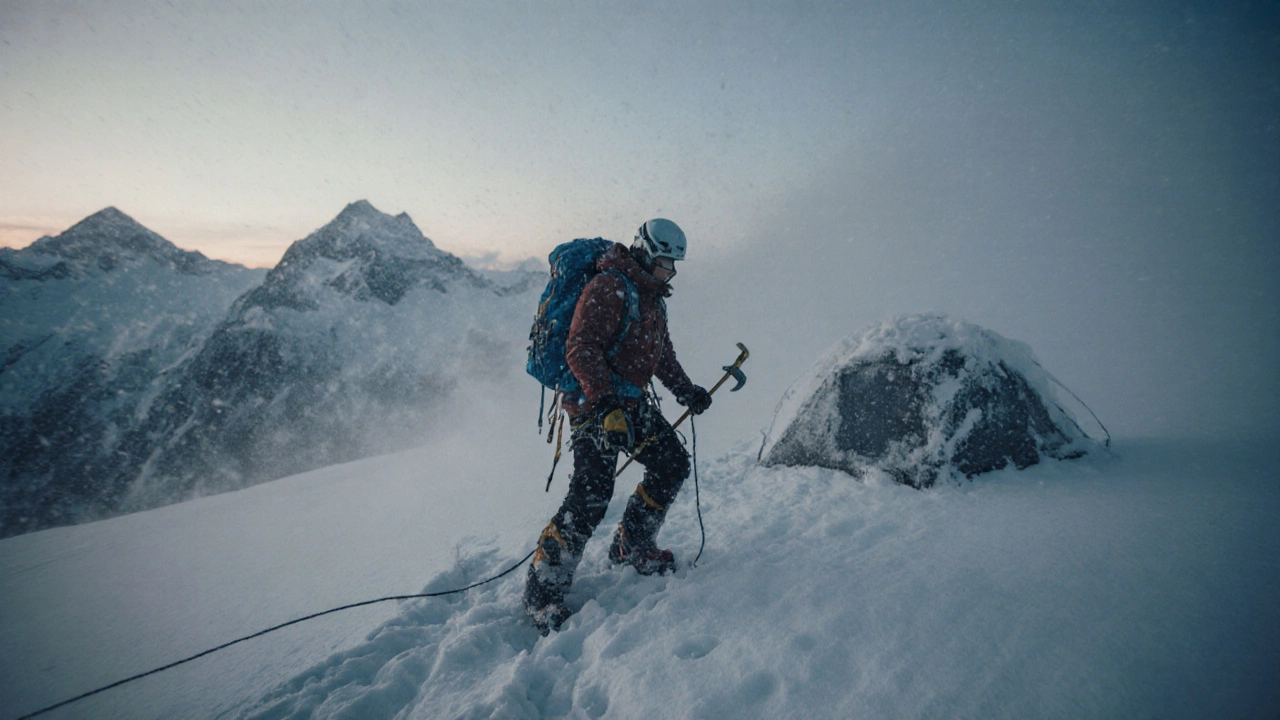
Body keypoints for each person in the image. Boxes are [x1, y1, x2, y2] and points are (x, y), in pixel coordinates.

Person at [524, 218, 712, 635]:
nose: (671, 272)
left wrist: (685, 390)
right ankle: (543, 592)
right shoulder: (609, 287)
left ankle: (632, 545)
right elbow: (580, 348)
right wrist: (605, 404)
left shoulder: (651, 297)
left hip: (627, 399)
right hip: (594, 402)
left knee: (671, 462)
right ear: (645, 253)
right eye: (665, 263)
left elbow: (659, 354)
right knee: (592, 493)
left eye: (674, 265)